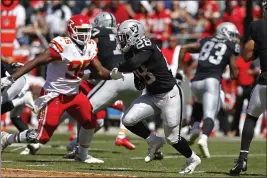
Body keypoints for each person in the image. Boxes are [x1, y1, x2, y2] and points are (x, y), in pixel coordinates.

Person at [1, 15, 123, 164]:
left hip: (74, 94)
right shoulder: (62, 45)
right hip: (55, 95)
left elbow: (99, 71)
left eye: (86, 30)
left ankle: (82, 155)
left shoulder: (90, 46)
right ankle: (7, 139)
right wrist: (11, 78)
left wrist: (111, 74)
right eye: (80, 31)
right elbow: (36, 62)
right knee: (42, 137)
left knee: (91, 122)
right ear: (71, 30)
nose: (84, 34)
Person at [116, 19, 201, 174]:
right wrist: (138, 81)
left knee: (172, 138)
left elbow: (136, 63)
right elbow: (138, 78)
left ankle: (192, 158)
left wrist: (118, 68)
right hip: (152, 94)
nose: (121, 41)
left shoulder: (145, 44)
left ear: (134, 35)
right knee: (128, 120)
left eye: (124, 37)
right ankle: (153, 141)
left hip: (170, 94)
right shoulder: (129, 52)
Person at [65, 12, 138, 155]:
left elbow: (88, 48)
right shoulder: (121, 31)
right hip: (126, 74)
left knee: (87, 109)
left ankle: (79, 148)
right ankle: (138, 138)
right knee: (127, 108)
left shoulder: (96, 32)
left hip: (106, 74)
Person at [179, 22, 240, 158]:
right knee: (211, 113)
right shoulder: (231, 46)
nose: (234, 38)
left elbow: (184, 48)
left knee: (199, 104)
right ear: (224, 33)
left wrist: (180, 70)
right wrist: (233, 68)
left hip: (195, 82)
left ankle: (194, 128)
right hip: (212, 81)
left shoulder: (206, 40)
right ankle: (204, 138)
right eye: (232, 35)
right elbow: (234, 75)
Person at [230, 1, 267, 175]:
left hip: (264, 82)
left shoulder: (257, 26)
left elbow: (246, 56)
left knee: (251, 117)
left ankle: (242, 159)